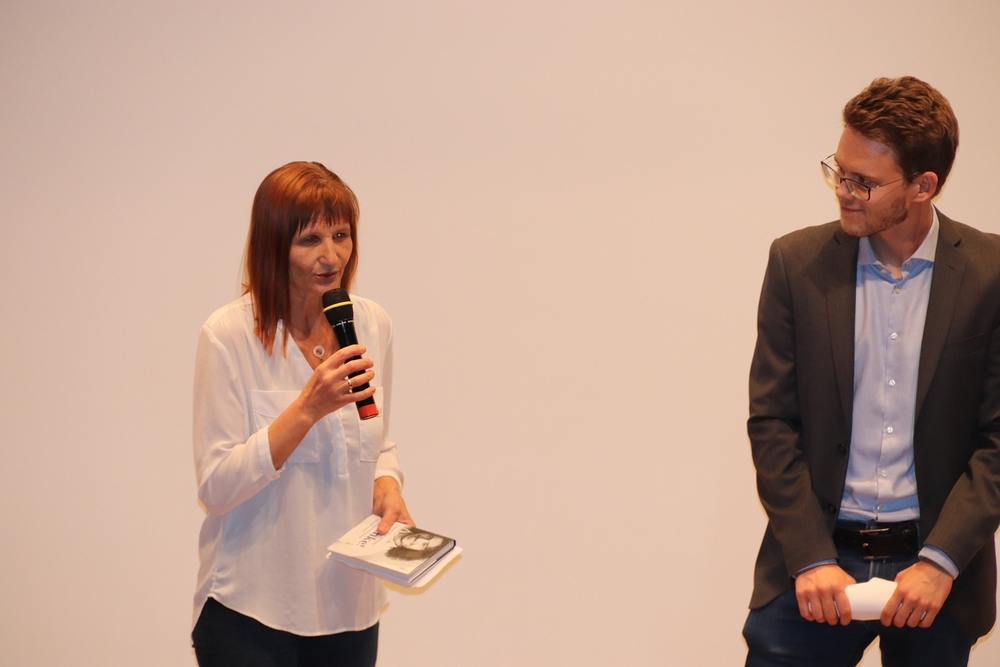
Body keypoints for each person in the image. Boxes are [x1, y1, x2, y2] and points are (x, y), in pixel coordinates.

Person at [743, 76, 1000, 666]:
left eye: (864, 181)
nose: (844, 191)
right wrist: (810, 557)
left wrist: (941, 561)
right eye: (840, 170)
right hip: (814, 562)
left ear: (922, 185)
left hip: (936, 570)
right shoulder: (796, 263)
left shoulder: (990, 274)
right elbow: (772, 422)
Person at [191, 161, 413, 666]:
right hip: (250, 611)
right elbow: (216, 487)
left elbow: (377, 439)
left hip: (350, 610)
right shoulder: (227, 336)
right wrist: (306, 409)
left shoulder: (371, 323)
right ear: (274, 246)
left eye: (341, 235)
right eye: (310, 239)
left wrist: (388, 484)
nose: (331, 256)